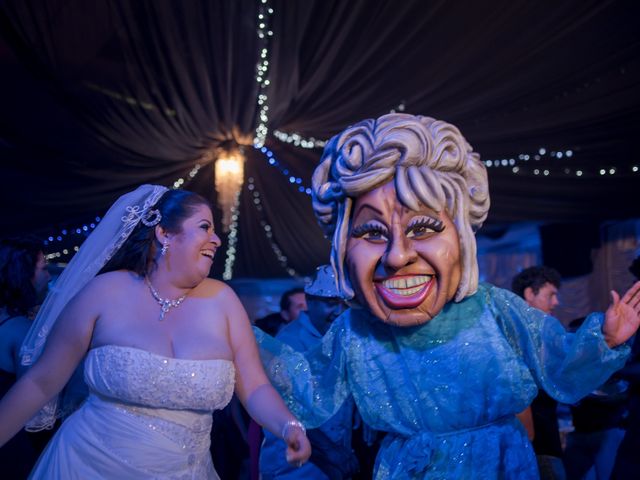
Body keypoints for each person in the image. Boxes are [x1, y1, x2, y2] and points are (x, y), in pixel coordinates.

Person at [254, 113, 640, 479]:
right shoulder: (355, 330)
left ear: (461, 237)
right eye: (372, 233)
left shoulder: (494, 308)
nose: (397, 255)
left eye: (422, 228)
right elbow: (308, 388)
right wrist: (238, 337)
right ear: (343, 251)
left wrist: (604, 339)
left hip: (500, 467)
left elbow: (558, 363)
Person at [0, 185, 311, 479]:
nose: (217, 240)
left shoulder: (224, 301)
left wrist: (288, 426)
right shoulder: (104, 293)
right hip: (87, 464)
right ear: (164, 233)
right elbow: (41, 383)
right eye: (205, 227)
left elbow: (255, 387)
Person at [260, 265, 358, 479]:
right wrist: (333, 453)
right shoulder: (289, 343)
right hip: (294, 466)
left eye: (345, 304)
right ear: (310, 301)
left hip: (332, 460)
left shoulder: (341, 337)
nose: (339, 311)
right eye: (331, 304)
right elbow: (290, 412)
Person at [0, 236, 51, 478]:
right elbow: (36, 408)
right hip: (12, 445)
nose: (48, 277)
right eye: (43, 269)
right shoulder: (20, 330)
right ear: (21, 274)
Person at [512, 266, 566, 479]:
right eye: (550, 294)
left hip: (542, 443)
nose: (556, 302)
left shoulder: (539, 333)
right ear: (529, 294)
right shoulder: (518, 334)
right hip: (536, 448)